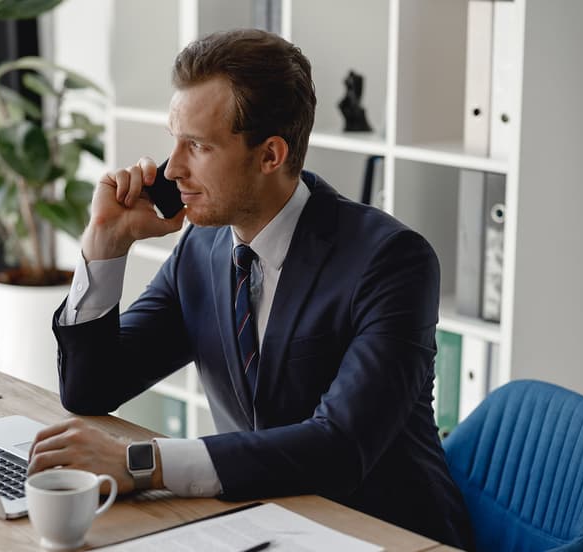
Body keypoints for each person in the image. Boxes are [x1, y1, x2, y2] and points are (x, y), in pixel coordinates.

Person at [28, 29, 474, 550]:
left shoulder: (392, 262)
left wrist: (141, 464)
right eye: (174, 140)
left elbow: (340, 447)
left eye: (197, 145)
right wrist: (105, 247)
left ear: (270, 156)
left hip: (383, 534)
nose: (171, 169)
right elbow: (91, 389)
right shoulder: (203, 248)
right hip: (259, 521)